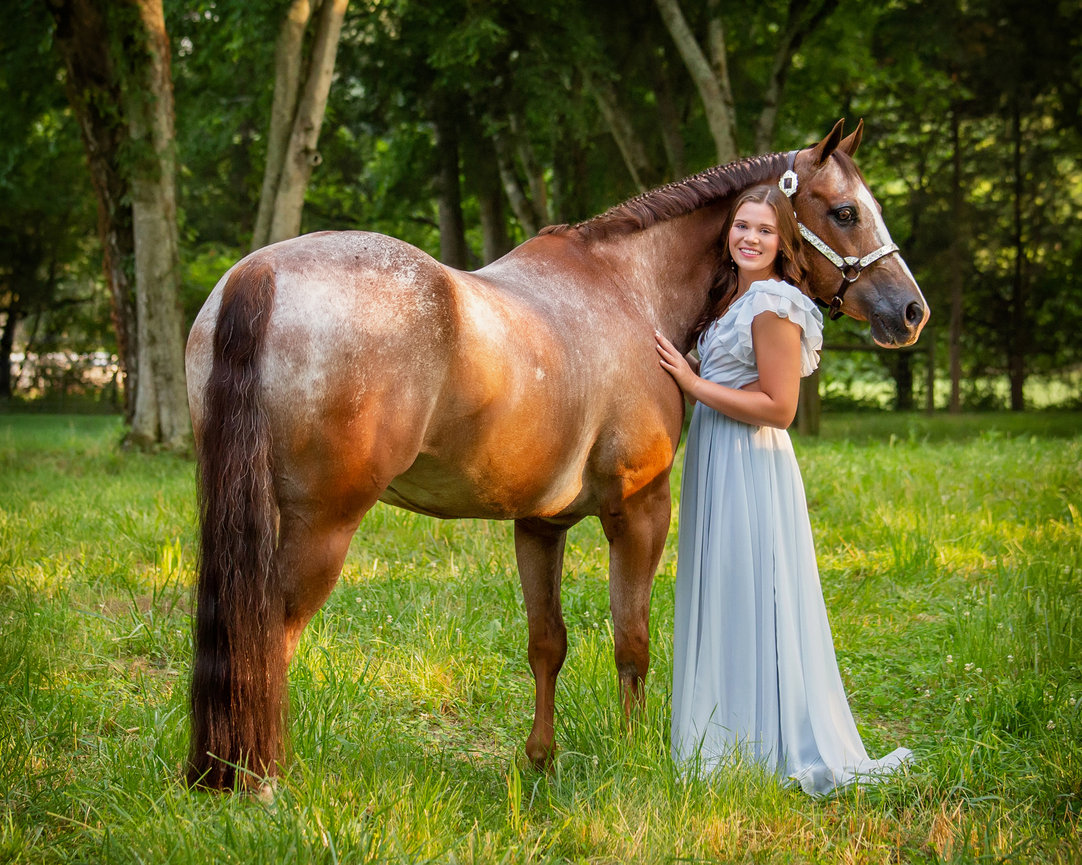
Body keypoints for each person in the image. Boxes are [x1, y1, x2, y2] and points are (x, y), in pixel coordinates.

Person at [654, 184, 911, 796]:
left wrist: (693, 384)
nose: (750, 238)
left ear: (784, 241)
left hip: (750, 460)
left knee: (753, 588)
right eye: (742, 226)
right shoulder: (728, 301)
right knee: (723, 590)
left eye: (765, 231)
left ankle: (766, 740)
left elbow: (778, 407)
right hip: (716, 458)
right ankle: (725, 732)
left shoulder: (773, 302)